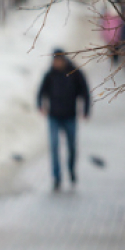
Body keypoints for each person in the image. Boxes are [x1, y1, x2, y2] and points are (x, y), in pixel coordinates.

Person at [37, 49, 91, 191]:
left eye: (59, 61)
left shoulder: (74, 73)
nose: (57, 63)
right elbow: (41, 91)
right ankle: (56, 177)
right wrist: (40, 105)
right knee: (54, 146)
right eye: (55, 61)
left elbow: (84, 91)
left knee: (71, 147)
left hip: (70, 116)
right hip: (54, 116)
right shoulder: (49, 75)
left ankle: (71, 171)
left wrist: (86, 110)